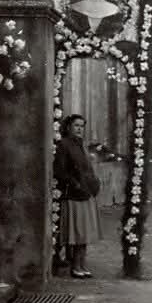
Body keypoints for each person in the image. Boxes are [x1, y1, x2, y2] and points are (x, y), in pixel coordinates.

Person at [54, 114, 102, 279]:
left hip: (87, 193)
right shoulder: (63, 145)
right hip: (74, 195)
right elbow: (60, 171)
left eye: (82, 126)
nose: (80, 129)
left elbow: (87, 169)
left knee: (85, 233)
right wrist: (76, 184)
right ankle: (75, 265)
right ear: (69, 127)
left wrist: (94, 183)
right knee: (78, 232)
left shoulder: (82, 146)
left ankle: (82, 264)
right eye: (76, 125)